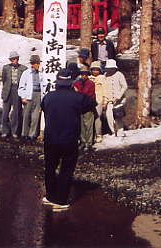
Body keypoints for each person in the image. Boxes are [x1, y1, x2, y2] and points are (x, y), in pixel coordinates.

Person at [41, 68, 94, 212]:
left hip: (51, 138)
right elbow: (90, 103)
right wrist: (76, 91)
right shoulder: (78, 97)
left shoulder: (48, 97)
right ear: (72, 82)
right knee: (66, 169)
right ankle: (61, 200)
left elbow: (44, 108)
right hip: (69, 138)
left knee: (50, 167)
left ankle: (50, 196)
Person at [18, 54, 48, 140]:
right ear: (32, 64)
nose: (37, 65)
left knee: (35, 116)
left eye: (38, 63)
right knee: (26, 115)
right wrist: (23, 96)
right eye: (35, 63)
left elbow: (44, 85)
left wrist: (43, 96)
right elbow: (21, 86)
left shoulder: (41, 73)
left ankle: (32, 134)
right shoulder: (26, 73)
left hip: (38, 95)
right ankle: (24, 133)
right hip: (28, 95)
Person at [0, 51, 27, 138]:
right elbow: (4, 79)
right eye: (12, 59)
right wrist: (5, 89)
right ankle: (5, 130)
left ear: (18, 59)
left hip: (17, 90)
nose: (13, 60)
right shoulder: (6, 68)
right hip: (8, 90)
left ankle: (14, 131)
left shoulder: (23, 68)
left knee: (16, 112)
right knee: (5, 112)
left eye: (15, 59)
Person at [73, 65, 96, 151]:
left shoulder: (91, 84)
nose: (84, 76)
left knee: (88, 125)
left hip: (88, 106)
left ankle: (88, 142)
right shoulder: (76, 83)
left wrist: (78, 92)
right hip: (79, 107)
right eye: (82, 74)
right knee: (81, 125)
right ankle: (82, 141)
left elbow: (88, 95)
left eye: (85, 74)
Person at [103, 59, 128, 137]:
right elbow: (104, 87)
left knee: (118, 116)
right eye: (108, 68)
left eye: (111, 68)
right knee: (109, 116)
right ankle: (113, 131)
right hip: (109, 99)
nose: (110, 70)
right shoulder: (105, 75)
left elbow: (124, 86)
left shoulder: (119, 74)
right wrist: (105, 99)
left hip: (119, 99)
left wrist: (119, 96)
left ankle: (120, 131)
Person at [89, 61, 107, 143]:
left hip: (99, 100)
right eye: (93, 69)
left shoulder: (103, 78)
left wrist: (105, 101)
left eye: (97, 69)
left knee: (98, 117)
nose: (95, 71)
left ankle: (99, 134)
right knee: (89, 118)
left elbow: (105, 90)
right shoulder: (88, 78)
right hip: (89, 101)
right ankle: (90, 135)